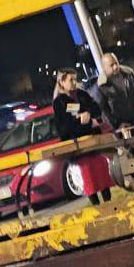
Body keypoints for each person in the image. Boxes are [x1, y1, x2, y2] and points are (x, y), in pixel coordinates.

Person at [52, 69, 113, 205]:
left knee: (102, 171)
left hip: (93, 143)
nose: (74, 83)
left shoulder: (82, 94)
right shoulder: (60, 102)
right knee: (89, 176)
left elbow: (96, 108)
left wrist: (88, 114)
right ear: (61, 82)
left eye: (75, 79)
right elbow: (66, 126)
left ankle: (109, 203)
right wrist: (85, 122)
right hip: (78, 148)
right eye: (70, 80)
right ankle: (97, 206)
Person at [98, 52, 134, 139]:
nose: (115, 67)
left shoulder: (128, 72)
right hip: (124, 125)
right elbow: (104, 109)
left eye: (116, 63)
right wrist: (117, 124)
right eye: (111, 65)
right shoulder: (102, 84)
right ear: (104, 68)